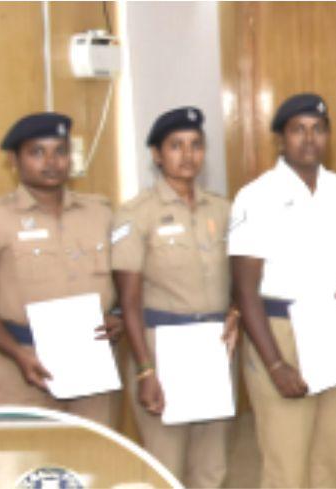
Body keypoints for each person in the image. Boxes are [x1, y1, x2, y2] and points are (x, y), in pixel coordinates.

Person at [228, 93, 336, 488]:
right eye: (298, 130)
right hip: (280, 332)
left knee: (332, 460)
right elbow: (244, 290)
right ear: (280, 139)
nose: (309, 139)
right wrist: (275, 364)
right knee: (287, 466)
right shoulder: (256, 196)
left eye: (318, 129)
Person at [0, 112, 122, 427]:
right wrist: (18, 354)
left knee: (94, 451)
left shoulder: (100, 213)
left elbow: (125, 277)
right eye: (37, 152)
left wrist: (118, 315)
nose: (51, 162)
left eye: (60, 151)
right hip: (20, 362)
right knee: (30, 454)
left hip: (91, 362)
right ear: (13, 160)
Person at [112, 106, 236, 487]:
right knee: (165, 464)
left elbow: (239, 276)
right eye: (176, 146)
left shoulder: (223, 209)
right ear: (156, 154)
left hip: (214, 345)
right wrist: (145, 370)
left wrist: (236, 311)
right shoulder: (135, 214)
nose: (188, 155)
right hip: (163, 348)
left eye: (196, 145)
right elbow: (128, 302)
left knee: (212, 464)